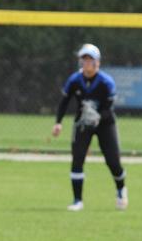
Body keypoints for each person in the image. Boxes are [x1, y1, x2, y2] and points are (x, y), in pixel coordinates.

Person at [52, 43, 128, 211]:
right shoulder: (75, 80)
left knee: (113, 162)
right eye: (84, 59)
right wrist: (58, 122)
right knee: (77, 159)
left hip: (105, 124)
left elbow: (109, 108)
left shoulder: (106, 82)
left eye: (90, 59)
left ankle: (121, 189)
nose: (86, 63)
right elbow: (64, 102)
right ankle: (77, 200)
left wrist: (98, 116)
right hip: (82, 123)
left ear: (97, 62)